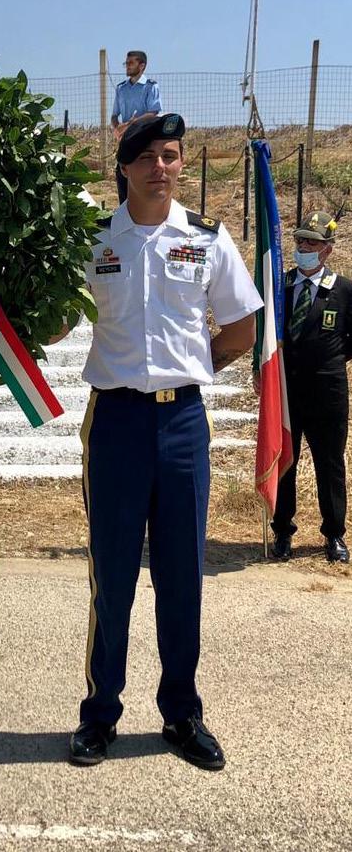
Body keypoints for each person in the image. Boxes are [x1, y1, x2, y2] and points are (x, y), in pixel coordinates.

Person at [66, 113, 262, 771]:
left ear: (181, 164)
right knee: (112, 577)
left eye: (171, 155)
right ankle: (100, 713)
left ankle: (182, 713)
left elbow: (241, 327)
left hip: (182, 425)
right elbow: (55, 317)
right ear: (123, 167)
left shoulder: (206, 238)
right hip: (116, 424)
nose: (160, 167)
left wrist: (194, 365)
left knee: (182, 576)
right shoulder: (94, 239)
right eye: (147, 156)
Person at [268, 211, 351, 564]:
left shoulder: (343, 290)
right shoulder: (281, 287)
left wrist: (328, 360)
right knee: (285, 460)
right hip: (287, 389)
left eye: (311, 243)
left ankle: (334, 534)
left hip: (327, 391)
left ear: (327, 249)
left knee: (329, 463)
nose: (303, 247)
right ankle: (282, 531)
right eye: (300, 241)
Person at [111, 50, 162, 205]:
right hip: (126, 140)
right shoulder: (121, 88)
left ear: (142, 66)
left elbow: (153, 112)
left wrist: (131, 124)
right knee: (122, 179)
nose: (127, 66)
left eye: (131, 63)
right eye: (126, 63)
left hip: (144, 140)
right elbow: (114, 115)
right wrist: (117, 128)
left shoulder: (150, 87)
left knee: (143, 181)